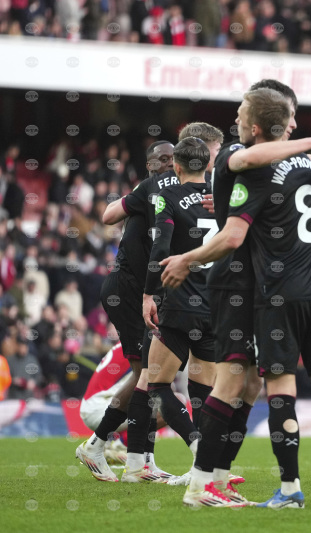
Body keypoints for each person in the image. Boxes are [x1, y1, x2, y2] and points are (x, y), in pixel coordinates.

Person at [166, 87, 311, 508]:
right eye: (291, 118)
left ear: (256, 124)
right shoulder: (256, 157)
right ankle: (206, 483)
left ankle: (225, 480)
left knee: (251, 384)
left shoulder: (266, 162)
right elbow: (268, 164)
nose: (235, 118)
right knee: (239, 380)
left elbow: (238, 226)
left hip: (267, 288)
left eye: (241, 113)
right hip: (265, 286)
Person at [75, 140, 174, 483]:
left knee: (151, 376)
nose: (169, 164)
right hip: (129, 290)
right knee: (147, 374)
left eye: (173, 159)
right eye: (162, 159)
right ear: (150, 165)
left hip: (144, 291)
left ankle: (139, 461)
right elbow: (107, 216)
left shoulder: (172, 194)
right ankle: (98, 446)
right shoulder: (151, 187)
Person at [124, 137, 218, 483]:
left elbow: (160, 247)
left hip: (179, 304)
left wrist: (149, 294)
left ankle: (197, 447)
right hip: (215, 307)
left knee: (157, 384)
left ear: (176, 166)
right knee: (203, 392)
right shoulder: (221, 198)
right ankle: (203, 470)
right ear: (206, 164)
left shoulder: (168, 196)